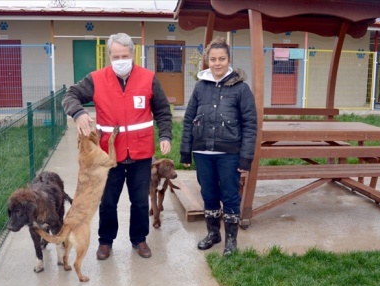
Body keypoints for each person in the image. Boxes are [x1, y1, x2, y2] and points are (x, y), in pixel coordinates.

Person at [62, 33, 172, 259]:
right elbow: (70, 95)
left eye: (124, 55)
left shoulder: (148, 79)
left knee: (140, 202)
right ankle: (106, 242)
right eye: (115, 56)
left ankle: (139, 239)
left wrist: (166, 135)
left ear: (132, 54)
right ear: (109, 57)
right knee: (108, 202)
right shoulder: (96, 79)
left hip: (141, 154)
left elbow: (162, 110)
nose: (120, 59)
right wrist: (78, 112)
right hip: (109, 155)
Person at [179, 37, 257, 256]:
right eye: (213, 59)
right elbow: (188, 119)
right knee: (209, 193)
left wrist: (245, 158)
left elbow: (250, 124)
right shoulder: (200, 87)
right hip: (203, 153)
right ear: (207, 61)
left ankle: (231, 240)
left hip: (229, 154)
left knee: (230, 195)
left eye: (222, 59)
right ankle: (213, 234)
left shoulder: (241, 89)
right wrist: (186, 151)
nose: (217, 63)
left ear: (229, 60)